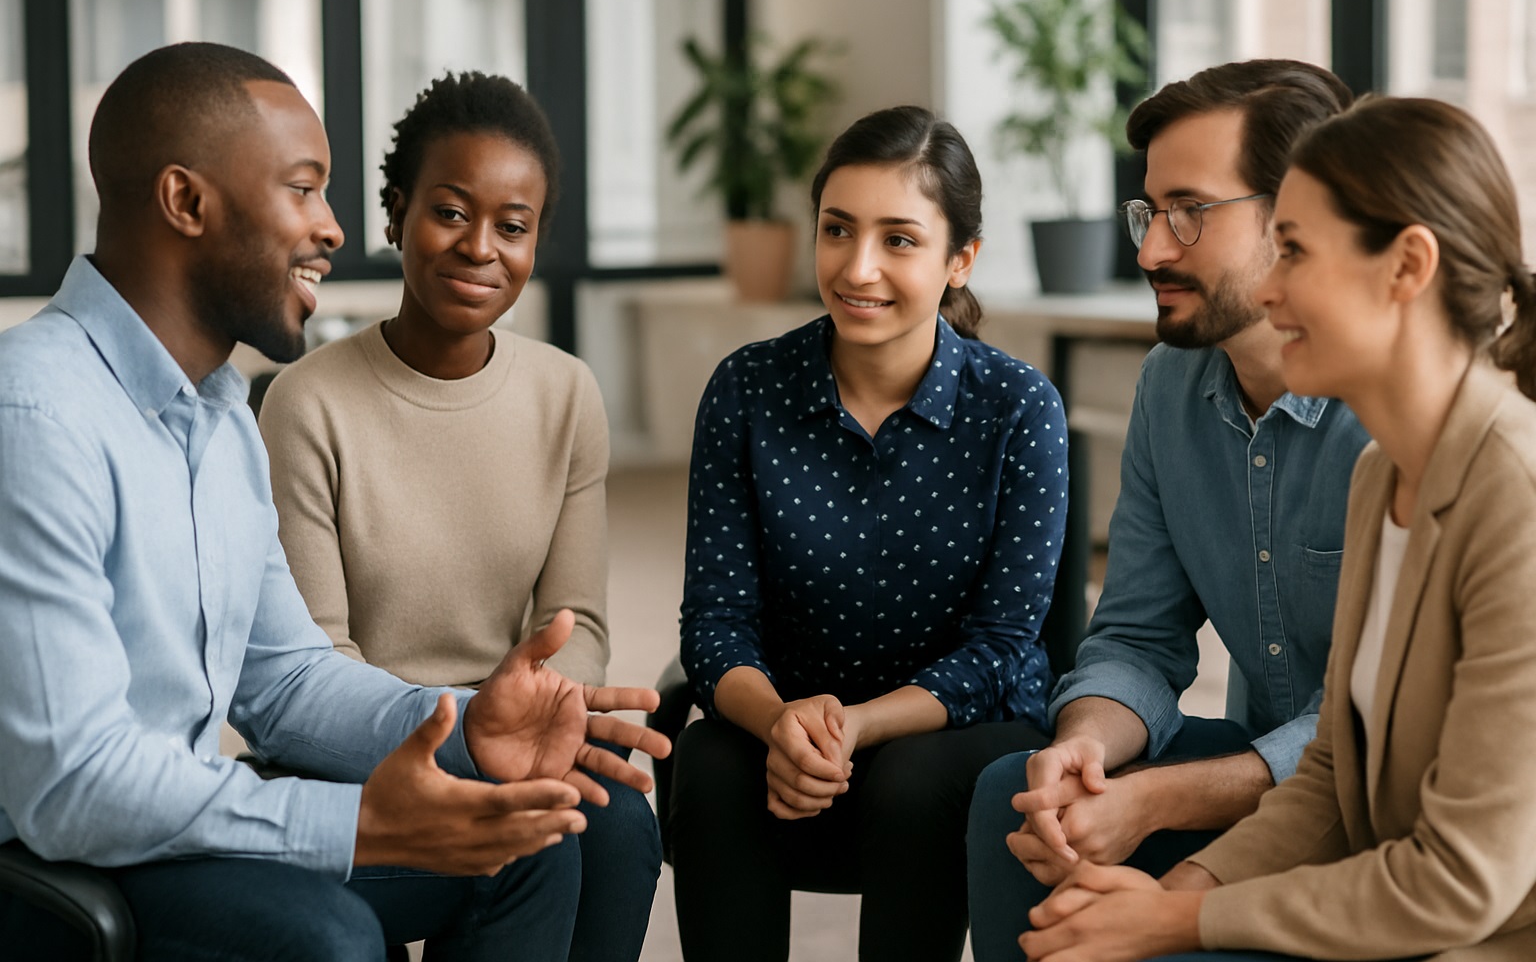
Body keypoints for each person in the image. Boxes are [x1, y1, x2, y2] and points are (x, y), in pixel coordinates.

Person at [0, 42, 669, 962]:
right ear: (186, 202)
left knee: (528, 847)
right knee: (331, 937)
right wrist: (356, 822)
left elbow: (285, 679)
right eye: (303, 190)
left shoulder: (222, 419)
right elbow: (74, 784)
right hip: (53, 862)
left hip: (175, 824)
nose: (332, 229)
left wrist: (465, 726)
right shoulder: (35, 412)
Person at [1021, 95, 1536, 962]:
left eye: (1293, 252)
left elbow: (1462, 882)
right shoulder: (1388, 475)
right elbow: (1334, 771)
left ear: (1407, 266)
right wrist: (1161, 900)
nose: (1267, 287)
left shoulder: (1515, 494)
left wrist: (1177, 920)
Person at [966, 59, 1371, 960]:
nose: (1150, 252)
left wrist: (1160, 801)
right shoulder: (1170, 385)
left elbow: (1379, 729)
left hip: (1390, 806)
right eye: (1149, 213)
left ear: (1296, 215)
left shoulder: (1389, 414)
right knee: (1018, 802)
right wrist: (1088, 753)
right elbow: (1139, 637)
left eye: (1190, 211)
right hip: (1271, 779)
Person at [257, 70, 661, 962]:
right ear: (395, 213)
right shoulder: (305, 403)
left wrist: (551, 709)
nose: (480, 247)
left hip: (522, 726)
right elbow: (312, 663)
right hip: (358, 749)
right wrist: (470, 731)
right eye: (450, 211)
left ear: (535, 243)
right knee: (535, 839)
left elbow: (578, 622)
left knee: (622, 822)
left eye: (512, 227)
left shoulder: (566, 394)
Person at [668, 105, 1065, 962]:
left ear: (961, 259)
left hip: (954, 733)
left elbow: (1001, 645)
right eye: (837, 230)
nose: (858, 268)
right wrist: (780, 721)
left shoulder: (1019, 407)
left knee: (914, 782)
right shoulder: (747, 389)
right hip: (792, 724)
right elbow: (715, 622)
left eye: (899, 240)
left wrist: (858, 726)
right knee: (704, 764)